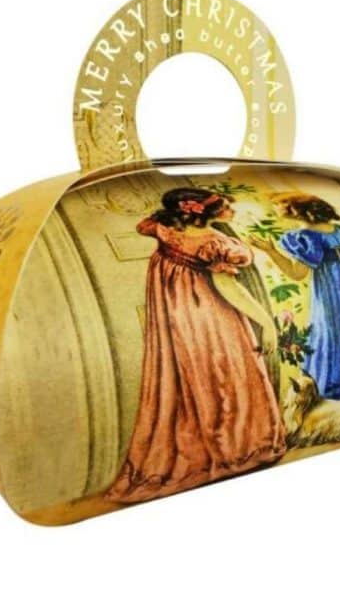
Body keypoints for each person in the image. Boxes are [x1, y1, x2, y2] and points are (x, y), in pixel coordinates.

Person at [105, 188, 286, 503]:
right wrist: (266, 322)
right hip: (210, 318)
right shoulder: (212, 244)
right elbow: (229, 288)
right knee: (224, 376)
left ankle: (205, 452)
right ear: (204, 212)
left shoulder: (167, 231)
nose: (230, 208)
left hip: (176, 319)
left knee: (189, 382)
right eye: (223, 205)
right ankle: (236, 451)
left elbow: (147, 227)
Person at [249, 192, 340, 424]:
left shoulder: (305, 236)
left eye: (278, 205)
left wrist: (270, 250)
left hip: (333, 293)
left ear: (294, 209)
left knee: (335, 338)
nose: (276, 209)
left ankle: (336, 409)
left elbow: (297, 273)